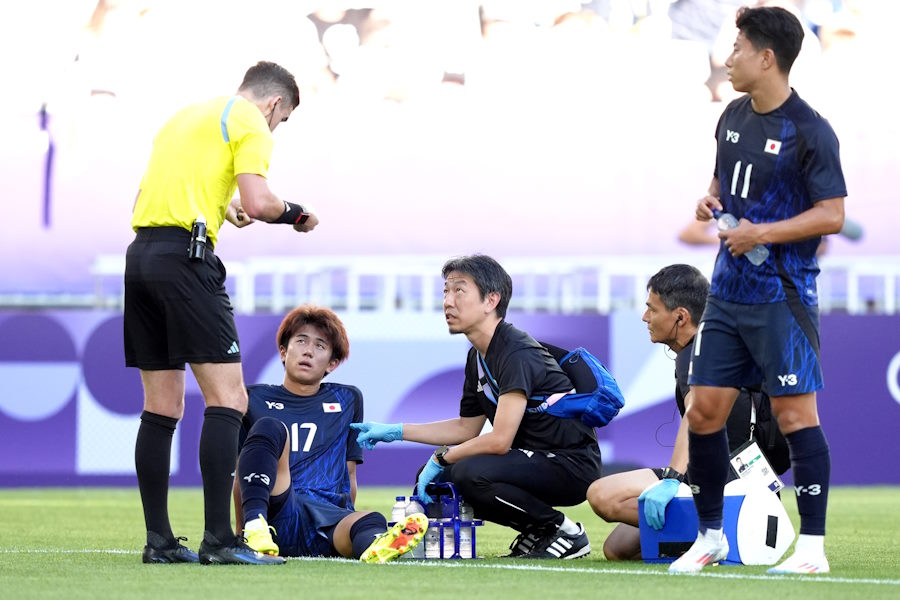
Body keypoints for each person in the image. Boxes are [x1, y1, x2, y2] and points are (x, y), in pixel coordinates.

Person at [669, 6, 846, 575]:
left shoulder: (811, 131)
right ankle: (711, 536)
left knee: (796, 418)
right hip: (726, 294)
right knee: (703, 412)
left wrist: (763, 232)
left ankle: (812, 551)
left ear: (767, 57)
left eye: (738, 48)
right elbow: (722, 182)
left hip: (783, 297)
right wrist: (709, 200)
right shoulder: (731, 116)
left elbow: (833, 215)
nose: (728, 57)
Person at [125, 61, 320, 565]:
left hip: (143, 254)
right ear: (275, 103)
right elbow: (260, 202)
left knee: (162, 407)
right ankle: (219, 539)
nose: (274, 129)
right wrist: (296, 214)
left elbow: (154, 195)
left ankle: (160, 542)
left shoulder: (187, 116)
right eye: (282, 120)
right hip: (188, 263)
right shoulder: (252, 121)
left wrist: (221, 203)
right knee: (229, 398)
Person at [350, 254, 602, 559]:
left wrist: (443, 458)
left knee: (466, 472)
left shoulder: (517, 351)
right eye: (445, 291)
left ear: (490, 300)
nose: (447, 301)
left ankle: (562, 530)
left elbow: (499, 440)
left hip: (570, 464)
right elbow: (466, 428)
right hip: (532, 460)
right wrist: (396, 431)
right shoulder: (478, 356)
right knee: (442, 477)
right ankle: (539, 531)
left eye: (459, 290)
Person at [586, 264, 788, 561]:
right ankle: (722, 534)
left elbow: (696, 411)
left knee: (602, 495)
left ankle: (716, 533)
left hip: (723, 486)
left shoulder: (695, 353)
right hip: (750, 486)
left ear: (680, 316)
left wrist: (672, 478)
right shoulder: (722, 344)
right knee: (617, 548)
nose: (645, 318)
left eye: (651, 310)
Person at [233, 304, 428, 563]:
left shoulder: (347, 398)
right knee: (271, 427)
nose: (308, 351)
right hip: (277, 513)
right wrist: (240, 529)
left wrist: (348, 517)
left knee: (370, 520)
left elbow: (349, 474)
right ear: (283, 351)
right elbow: (241, 475)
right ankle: (253, 527)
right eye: (301, 341)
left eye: (320, 346)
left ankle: (374, 546)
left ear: (332, 363)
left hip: (328, 520)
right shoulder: (252, 398)